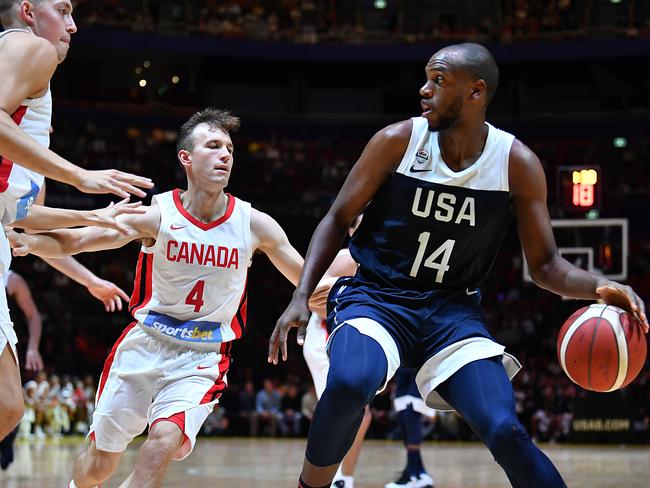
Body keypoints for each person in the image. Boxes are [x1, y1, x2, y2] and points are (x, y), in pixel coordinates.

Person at [269, 42, 648, 488]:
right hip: (378, 298)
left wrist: (599, 285)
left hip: (452, 313)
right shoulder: (397, 141)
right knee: (351, 382)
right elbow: (335, 218)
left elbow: (546, 266)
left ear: (476, 91)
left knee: (505, 429)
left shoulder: (516, 163)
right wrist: (299, 295)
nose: (424, 90)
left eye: (439, 81)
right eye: (427, 78)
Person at [10, 108, 306, 488]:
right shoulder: (157, 214)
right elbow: (80, 239)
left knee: (164, 439)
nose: (225, 155)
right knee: (98, 466)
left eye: (229, 148)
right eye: (213, 146)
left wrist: (352, 294)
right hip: (144, 343)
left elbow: (307, 280)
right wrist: (31, 243)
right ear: (186, 157)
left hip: (203, 355)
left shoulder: (255, 224)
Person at [0, 0, 154, 440]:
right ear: (28, 10)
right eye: (63, 10)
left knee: (8, 406)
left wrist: (97, 221)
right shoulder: (34, 49)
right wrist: (79, 176)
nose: (72, 25)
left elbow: (21, 218)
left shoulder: (24, 82)